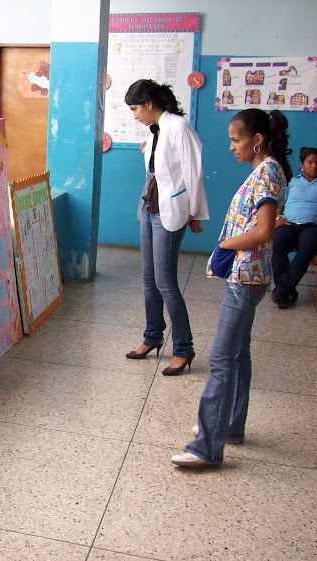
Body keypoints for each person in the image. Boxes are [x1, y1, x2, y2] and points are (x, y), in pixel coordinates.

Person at [172, 108, 292, 467]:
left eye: (236, 140)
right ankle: (231, 426)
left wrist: (225, 245)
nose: (231, 147)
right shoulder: (265, 171)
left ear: (257, 140)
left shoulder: (267, 172)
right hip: (248, 275)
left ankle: (207, 447)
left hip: (247, 276)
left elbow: (265, 230)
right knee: (238, 354)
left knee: (223, 359)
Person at [123, 79, 209, 376]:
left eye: (135, 108)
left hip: (169, 212)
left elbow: (193, 173)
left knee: (166, 283)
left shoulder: (179, 128)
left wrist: (195, 213)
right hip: (150, 208)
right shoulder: (156, 129)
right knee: (149, 279)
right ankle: (153, 337)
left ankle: (183, 349)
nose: (134, 115)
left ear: (149, 103)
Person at [270, 146, 317, 308]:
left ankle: (282, 290)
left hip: (311, 227)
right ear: (302, 164)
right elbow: (278, 202)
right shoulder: (291, 182)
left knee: (307, 247)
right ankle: (285, 290)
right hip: (289, 224)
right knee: (278, 242)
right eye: (310, 162)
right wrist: (278, 217)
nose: (314, 166)